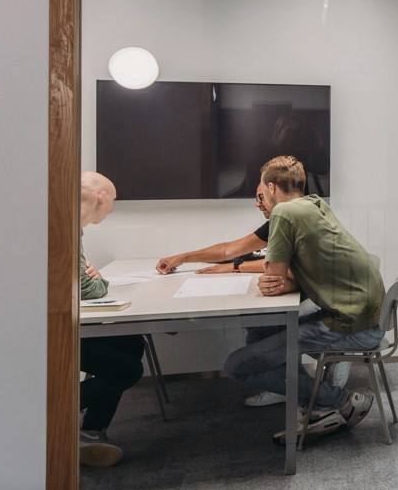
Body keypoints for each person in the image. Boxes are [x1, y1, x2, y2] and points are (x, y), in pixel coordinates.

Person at [222, 156, 383, 443]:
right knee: (260, 332)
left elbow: (274, 279)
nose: (259, 202)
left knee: (237, 365)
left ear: (271, 188)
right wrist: (280, 278)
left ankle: (340, 401)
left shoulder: (283, 213)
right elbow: (287, 275)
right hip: (363, 315)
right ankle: (311, 402)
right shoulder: (315, 204)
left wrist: (275, 278)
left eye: (260, 194)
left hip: (351, 324)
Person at [154, 214, 288, 407]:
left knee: (259, 336)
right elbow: (229, 250)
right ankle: (286, 386)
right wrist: (183, 258)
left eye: (261, 198)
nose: (257, 204)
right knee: (257, 329)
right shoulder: (278, 220)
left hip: (312, 301)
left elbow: (286, 264)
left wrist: (235, 266)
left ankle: (309, 394)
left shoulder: (291, 218)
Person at [77, 172, 146, 468]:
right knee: (127, 370)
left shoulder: (73, 226)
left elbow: (81, 280)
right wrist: (98, 281)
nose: (113, 208)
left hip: (64, 320)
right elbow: (86, 287)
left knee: (130, 343)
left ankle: (91, 431)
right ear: (100, 198)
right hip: (45, 330)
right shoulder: (65, 224)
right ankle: (49, 413)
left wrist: (91, 278)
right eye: (113, 201)